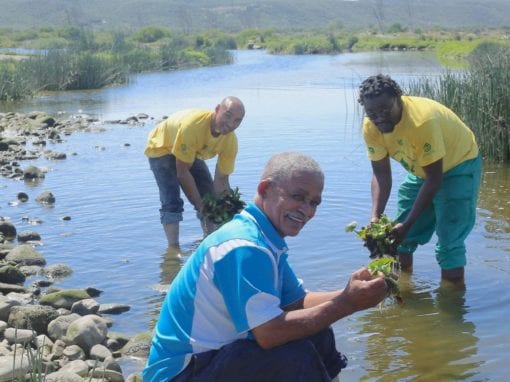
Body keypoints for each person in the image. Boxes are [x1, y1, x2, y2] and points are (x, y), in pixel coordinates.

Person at [143, 151, 388, 382]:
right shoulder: (245, 246)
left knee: (318, 331)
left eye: (314, 202)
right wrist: (348, 304)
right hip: (181, 373)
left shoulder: (265, 237)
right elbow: (269, 334)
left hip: (214, 358)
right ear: (265, 189)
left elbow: (296, 303)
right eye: (297, 197)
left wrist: (352, 293)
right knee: (293, 358)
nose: (306, 210)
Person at [358, 74, 482, 285]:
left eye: (385, 110)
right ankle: (405, 292)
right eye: (372, 113)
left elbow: (434, 178)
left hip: (458, 165)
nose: (380, 118)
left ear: (399, 98)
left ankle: (450, 307)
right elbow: (381, 174)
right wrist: (375, 218)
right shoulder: (371, 126)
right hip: (422, 171)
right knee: (399, 239)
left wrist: (408, 224)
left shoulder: (421, 121)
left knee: (449, 240)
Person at [144, 96, 245, 249]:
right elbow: (182, 173)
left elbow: (221, 182)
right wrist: (199, 205)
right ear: (217, 109)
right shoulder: (193, 126)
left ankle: (211, 241)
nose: (231, 124)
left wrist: (232, 211)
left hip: (190, 151)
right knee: (171, 199)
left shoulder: (230, 141)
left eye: (237, 120)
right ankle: (173, 251)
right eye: (228, 115)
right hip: (162, 147)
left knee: (209, 195)